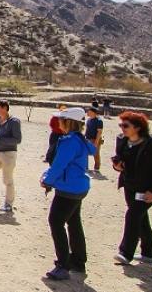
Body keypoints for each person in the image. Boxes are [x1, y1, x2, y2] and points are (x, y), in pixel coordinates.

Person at [41, 107, 96, 280]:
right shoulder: (80, 139)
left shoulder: (69, 141)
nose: (59, 122)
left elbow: (59, 165)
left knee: (56, 222)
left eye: (61, 120)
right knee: (73, 222)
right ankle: (78, 261)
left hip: (68, 188)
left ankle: (63, 265)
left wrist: (47, 180)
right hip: (78, 186)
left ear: (68, 122)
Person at [111, 111, 152, 265]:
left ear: (138, 128)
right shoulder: (122, 141)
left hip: (148, 190)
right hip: (130, 186)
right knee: (140, 217)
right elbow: (120, 160)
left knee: (133, 216)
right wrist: (117, 167)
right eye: (121, 125)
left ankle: (126, 253)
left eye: (126, 125)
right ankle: (149, 253)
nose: (122, 128)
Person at [85, 106, 105, 172]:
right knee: (85, 153)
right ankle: (86, 167)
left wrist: (96, 142)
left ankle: (97, 168)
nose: (88, 112)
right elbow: (87, 129)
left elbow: (99, 132)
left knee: (96, 154)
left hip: (95, 139)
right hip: (87, 138)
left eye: (89, 111)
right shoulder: (88, 120)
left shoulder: (99, 121)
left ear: (94, 112)